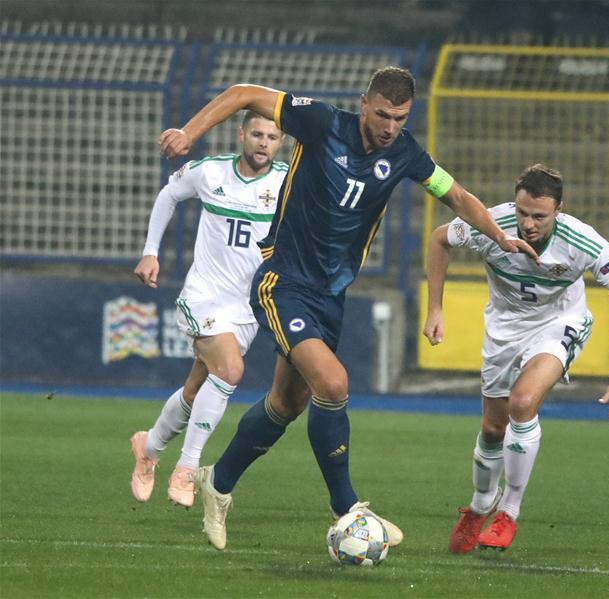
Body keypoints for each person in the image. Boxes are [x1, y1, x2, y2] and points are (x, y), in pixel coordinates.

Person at [157, 66, 539, 550]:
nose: (390, 127)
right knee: (334, 383)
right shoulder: (322, 123)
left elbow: (458, 196)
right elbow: (243, 93)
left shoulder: (404, 153)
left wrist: (501, 236)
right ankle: (347, 509)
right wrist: (190, 133)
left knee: (287, 403)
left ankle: (219, 483)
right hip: (284, 281)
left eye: (400, 118)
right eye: (383, 114)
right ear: (364, 104)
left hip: (330, 295)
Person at [423, 164, 609, 553]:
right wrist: (435, 308)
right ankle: (481, 504)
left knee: (523, 401)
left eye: (539, 216)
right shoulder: (490, 224)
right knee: (492, 430)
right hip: (503, 329)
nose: (528, 224)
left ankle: (508, 512)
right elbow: (438, 239)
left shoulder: (581, 241)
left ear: (559, 210)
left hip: (558, 323)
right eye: (522, 213)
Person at [130, 111, 286, 507]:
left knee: (197, 387)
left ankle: (149, 447)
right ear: (241, 135)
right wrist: (151, 253)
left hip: (248, 307)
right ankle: (188, 466)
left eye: (272, 136)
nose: (263, 142)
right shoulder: (211, 172)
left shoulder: (289, 180)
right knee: (231, 371)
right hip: (204, 296)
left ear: (280, 142)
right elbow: (168, 194)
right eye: (257, 134)